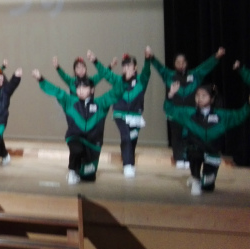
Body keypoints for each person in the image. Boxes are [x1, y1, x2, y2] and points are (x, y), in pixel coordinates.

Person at [33, 68, 122, 185]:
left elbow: (115, 93)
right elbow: (56, 91)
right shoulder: (69, 101)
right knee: (77, 149)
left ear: (92, 89)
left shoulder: (101, 103)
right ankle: (72, 172)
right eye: (78, 88)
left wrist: (126, 80)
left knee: (88, 178)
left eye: (84, 87)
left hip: (93, 142)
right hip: (75, 137)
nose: (80, 90)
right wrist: (41, 79)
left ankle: (81, 170)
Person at [164, 82, 250, 195]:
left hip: (212, 152)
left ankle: (203, 181)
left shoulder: (222, 116)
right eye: (197, 95)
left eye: (204, 96)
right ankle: (195, 178)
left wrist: (248, 104)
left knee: (208, 187)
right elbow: (170, 110)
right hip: (196, 148)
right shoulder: (189, 113)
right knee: (194, 151)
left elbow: (239, 115)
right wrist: (170, 95)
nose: (200, 98)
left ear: (212, 99)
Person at [147, 46, 224, 169]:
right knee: (176, 135)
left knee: (189, 136)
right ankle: (178, 158)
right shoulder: (169, 75)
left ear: (186, 63)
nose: (181, 64)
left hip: (191, 112)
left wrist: (216, 56)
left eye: (183, 62)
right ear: (174, 64)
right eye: (178, 62)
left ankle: (187, 157)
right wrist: (151, 57)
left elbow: (206, 67)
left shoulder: (195, 75)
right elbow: (159, 67)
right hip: (175, 112)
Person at [89, 50, 152, 178]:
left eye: (129, 65)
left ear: (135, 67)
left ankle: (130, 162)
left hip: (135, 115)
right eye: (124, 66)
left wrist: (147, 59)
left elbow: (146, 72)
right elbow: (105, 73)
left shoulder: (141, 81)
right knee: (126, 137)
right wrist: (95, 61)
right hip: (120, 113)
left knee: (132, 140)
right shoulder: (118, 80)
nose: (126, 68)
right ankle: (127, 165)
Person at [0, 67, 22, 168]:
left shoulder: (6, 91)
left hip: (1, 120)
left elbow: (12, 84)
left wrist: (16, 76)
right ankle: (5, 155)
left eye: (1, 79)